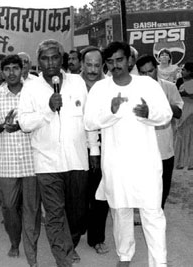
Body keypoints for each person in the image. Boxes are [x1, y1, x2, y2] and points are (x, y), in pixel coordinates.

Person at [84, 41, 172, 267]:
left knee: (152, 211)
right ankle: (125, 255)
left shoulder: (147, 85)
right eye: (110, 62)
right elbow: (89, 122)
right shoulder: (101, 89)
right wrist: (110, 111)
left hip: (146, 161)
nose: (115, 65)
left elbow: (166, 115)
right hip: (115, 162)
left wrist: (148, 113)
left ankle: (159, 262)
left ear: (129, 60)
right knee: (120, 210)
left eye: (119, 60)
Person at [18, 39, 99, 266]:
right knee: (54, 214)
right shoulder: (31, 88)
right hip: (47, 162)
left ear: (62, 59)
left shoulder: (77, 83)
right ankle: (62, 259)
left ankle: (70, 243)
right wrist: (48, 109)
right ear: (38, 62)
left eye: (55, 57)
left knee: (77, 215)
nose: (50, 62)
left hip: (77, 160)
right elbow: (24, 122)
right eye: (45, 58)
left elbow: (88, 118)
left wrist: (94, 150)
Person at [0, 54, 41, 267]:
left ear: (22, 69)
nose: (11, 73)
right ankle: (14, 240)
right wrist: (2, 127)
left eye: (15, 68)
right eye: (6, 69)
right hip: (6, 163)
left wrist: (23, 125)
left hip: (32, 160)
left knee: (31, 208)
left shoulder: (33, 92)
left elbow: (42, 120)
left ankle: (30, 248)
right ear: (0, 72)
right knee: (8, 207)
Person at [136, 54, 183, 208]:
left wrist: (161, 104)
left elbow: (178, 111)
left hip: (164, 147)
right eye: (143, 73)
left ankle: (158, 211)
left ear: (156, 69)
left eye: (150, 71)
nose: (147, 76)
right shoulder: (134, 90)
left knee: (164, 185)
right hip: (143, 148)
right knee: (144, 185)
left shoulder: (169, 87)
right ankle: (147, 212)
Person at [80, 46, 110, 254]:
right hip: (76, 147)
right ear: (81, 64)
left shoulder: (110, 85)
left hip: (106, 147)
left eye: (97, 65)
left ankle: (97, 237)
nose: (92, 69)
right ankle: (78, 227)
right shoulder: (70, 84)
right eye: (88, 64)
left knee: (100, 196)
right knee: (77, 196)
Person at [174, 62, 193, 169]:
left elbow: (188, 93)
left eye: (184, 70)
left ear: (190, 71)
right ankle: (180, 161)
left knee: (190, 135)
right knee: (181, 135)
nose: (182, 71)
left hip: (190, 111)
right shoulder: (180, 81)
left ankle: (190, 162)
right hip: (183, 110)